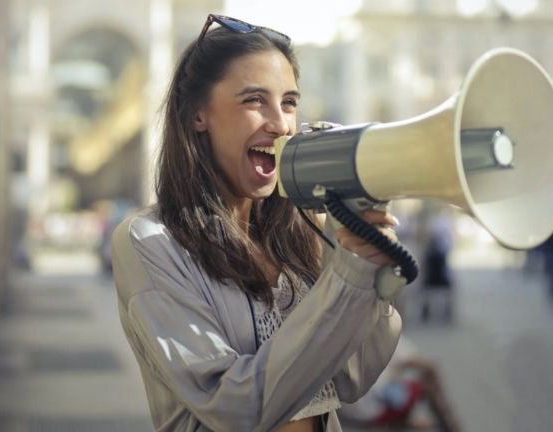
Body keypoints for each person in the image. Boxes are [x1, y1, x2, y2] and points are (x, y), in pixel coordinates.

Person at [110, 14, 402, 432]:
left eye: (288, 102)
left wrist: (369, 271)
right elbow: (234, 408)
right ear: (198, 115)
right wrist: (345, 280)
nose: (281, 124)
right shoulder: (150, 242)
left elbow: (351, 376)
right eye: (253, 100)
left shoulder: (304, 230)